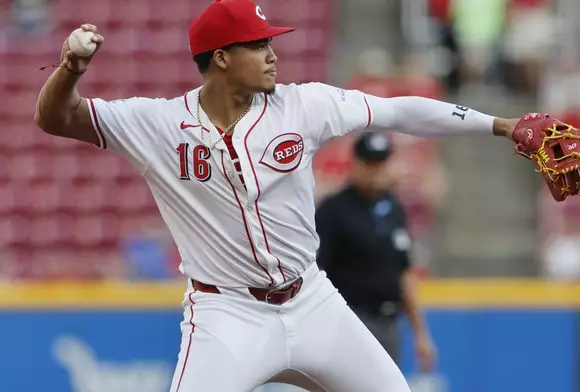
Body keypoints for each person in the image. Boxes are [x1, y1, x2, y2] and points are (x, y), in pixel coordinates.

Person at [34, 1, 526, 391]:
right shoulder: (157, 124)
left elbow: (398, 112)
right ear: (221, 58)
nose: (272, 54)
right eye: (258, 44)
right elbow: (56, 117)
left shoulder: (302, 105)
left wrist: (502, 126)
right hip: (227, 313)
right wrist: (72, 67)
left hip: (311, 300)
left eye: (270, 42)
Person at [315, 132, 436, 371]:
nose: (376, 169)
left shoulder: (393, 208)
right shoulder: (334, 209)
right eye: (370, 162)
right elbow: (315, 270)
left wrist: (421, 332)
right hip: (350, 321)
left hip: (390, 322)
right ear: (356, 163)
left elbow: (403, 272)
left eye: (381, 162)